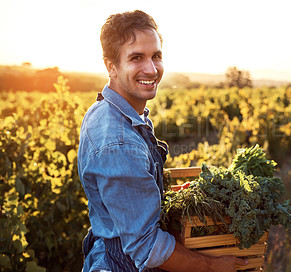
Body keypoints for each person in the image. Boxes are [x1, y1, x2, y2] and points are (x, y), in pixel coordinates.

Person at [77, 10, 248, 272]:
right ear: (111, 66)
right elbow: (146, 247)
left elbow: (124, 197)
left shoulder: (111, 110)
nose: (152, 69)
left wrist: (164, 196)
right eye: (136, 58)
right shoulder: (119, 141)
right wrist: (213, 266)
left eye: (156, 56)